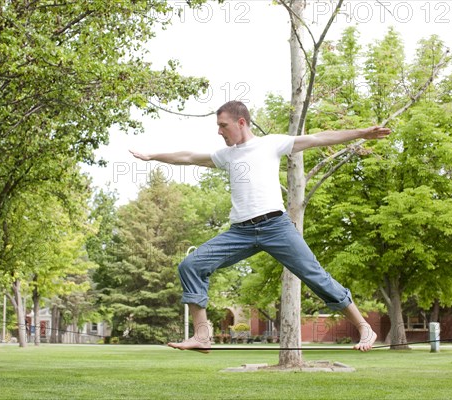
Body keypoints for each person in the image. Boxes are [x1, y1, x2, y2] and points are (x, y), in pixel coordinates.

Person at [130, 100, 390, 352]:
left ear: (241, 122)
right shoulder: (226, 156)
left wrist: (362, 133)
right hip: (240, 232)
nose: (219, 132)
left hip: (276, 227)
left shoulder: (271, 144)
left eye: (223, 125)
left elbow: (319, 138)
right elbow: (186, 156)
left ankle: (364, 327)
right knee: (191, 265)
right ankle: (202, 335)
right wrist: (153, 156)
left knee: (315, 276)